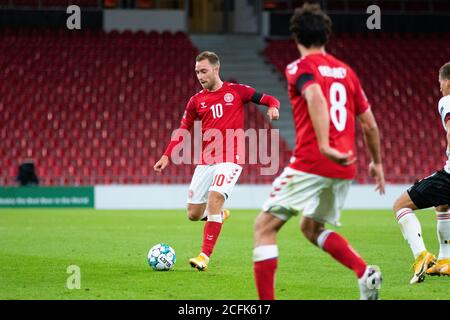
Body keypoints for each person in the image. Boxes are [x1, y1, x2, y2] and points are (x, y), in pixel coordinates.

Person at [252, 3, 385, 300]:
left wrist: (324, 144)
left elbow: (314, 95)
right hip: (344, 166)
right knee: (311, 227)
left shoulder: (298, 67)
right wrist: (377, 163)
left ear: (296, 36)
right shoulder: (347, 72)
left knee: (264, 227)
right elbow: (370, 124)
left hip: (312, 161)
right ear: (326, 36)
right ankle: (365, 274)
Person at [154, 51, 280, 271]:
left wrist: (273, 107)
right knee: (193, 214)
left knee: (214, 198)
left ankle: (204, 256)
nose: (200, 76)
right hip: (206, 160)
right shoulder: (196, 101)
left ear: (215, 69)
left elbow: (269, 98)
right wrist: (166, 155)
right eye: (196, 72)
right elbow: (183, 129)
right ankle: (219, 216)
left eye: (203, 71)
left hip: (231, 158)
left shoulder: (237, 91)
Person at [393, 62, 450, 283]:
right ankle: (445, 262)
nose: (439, 89)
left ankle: (421, 256)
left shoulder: (446, 100)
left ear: (446, 82)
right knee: (443, 204)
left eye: (440, 84)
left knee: (400, 205)